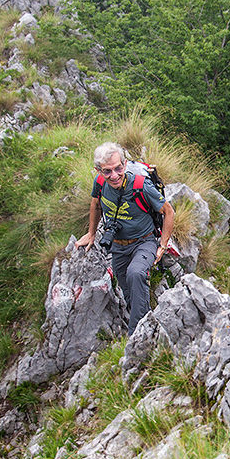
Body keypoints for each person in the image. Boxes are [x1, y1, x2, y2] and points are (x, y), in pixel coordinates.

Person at [75, 142, 175, 335]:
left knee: (136, 273)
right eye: (107, 171)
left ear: (125, 164)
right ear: (98, 171)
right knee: (126, 286)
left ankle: (138, 334)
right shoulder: (100, 183)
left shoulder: (141, 186)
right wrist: (91, 233)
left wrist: (162, 245)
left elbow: (168, 211)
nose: (114, 175)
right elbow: (96, 204)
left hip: (144, 241)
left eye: (118, 168)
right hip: (118, 246)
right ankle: (142, 317)